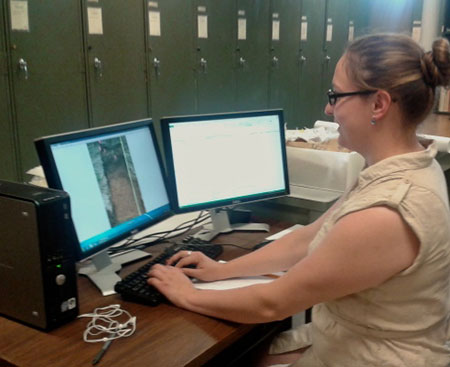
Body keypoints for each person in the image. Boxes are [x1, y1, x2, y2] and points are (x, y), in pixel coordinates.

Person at [148, 33, 450, 367]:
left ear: (378, 104)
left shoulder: (388, 210)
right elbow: (306, 240)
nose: (327, 108)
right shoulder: (399, 167)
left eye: (336, 95)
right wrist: (222, 271)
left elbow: (271, 304)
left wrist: (186, 294)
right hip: (351, 337)